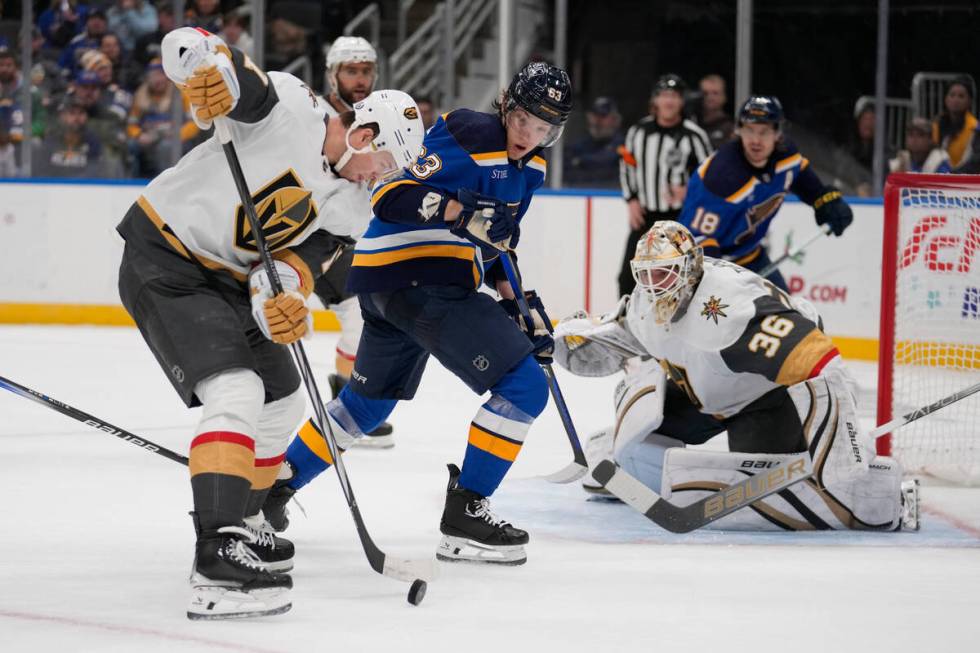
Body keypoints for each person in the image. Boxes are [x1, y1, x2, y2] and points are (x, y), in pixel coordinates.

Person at [115, 26, 423, 619]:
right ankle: (216, 554)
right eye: (385, 165)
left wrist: (278, 300)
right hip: (165, 255)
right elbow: (208, 56)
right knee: (238, 388)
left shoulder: (356, 206)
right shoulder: (291, 108)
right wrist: (204, 72)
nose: (381, 180)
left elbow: (287, 269)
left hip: (228, 279)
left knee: (282, 399)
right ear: (363, 134)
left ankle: (246, 514)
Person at [263, 61, 572, 567]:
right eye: (523, 121)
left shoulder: (532, 171)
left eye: (544, 128)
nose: (528, 136)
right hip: (420, 278)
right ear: (506, 107)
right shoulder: (471, 129)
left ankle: (274, 488)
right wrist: (459, 212)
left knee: (366, 406)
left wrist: (516, 300)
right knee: (524, 387)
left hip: (392, 288)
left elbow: (495, 242)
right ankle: (467, 514)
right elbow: (391, 192)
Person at [553, 222, 918, 532]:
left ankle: (879, 494)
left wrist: (848, 441)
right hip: (705, 391)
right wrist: (564, 340)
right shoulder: (645, 301)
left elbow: (824, 365)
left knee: (770, 480)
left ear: (688, 268)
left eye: (663, 273)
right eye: (645, 274)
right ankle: (618, 450)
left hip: (766, 395)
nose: (653, 285)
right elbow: (620, 332)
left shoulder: (733, 309)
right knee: (642, 422)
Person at [676, 95, 853, 291]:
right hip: (713, 267)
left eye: (764, 132)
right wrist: (718, 283)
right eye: (749, 130)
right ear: (739, 130)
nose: (756, 140)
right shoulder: (720, 177)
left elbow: (800, 175)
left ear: (778, 133)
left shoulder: (786, 155)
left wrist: (824, 200)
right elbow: (696, 240)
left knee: (788, 315)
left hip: (751, 256)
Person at [618, 74, 711, 296]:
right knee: (628, 278)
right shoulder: (638, 132)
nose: (669, 101)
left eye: (675, 96)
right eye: (664, 95)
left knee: (682, 277)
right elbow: (627, 166)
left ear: (682, 101)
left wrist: (690, 192)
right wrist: (631, 200)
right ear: (655, 100)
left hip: (680, 219)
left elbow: (710, 177)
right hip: (646, 216)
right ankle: (627, 327)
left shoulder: (694, 136)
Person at [563, 95, 624, 188]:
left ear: (615, 120)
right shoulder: (578, 147)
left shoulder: (625, 147)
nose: (597, 121)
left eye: (603, 116)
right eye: (595, 115)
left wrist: (581, 161)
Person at [931, 77, 977, 170]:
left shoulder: (975, 128)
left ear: (970, 101)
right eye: (952, 95)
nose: (956, 100)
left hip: (964, 176)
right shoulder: (937, 124)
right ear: (946, 99)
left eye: (961, 96)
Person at [696, 74, 734, 150]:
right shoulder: (693, 123)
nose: (710, 97)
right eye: (705, 93)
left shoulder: (731, 128)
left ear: (724, 96)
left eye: (715, 93)